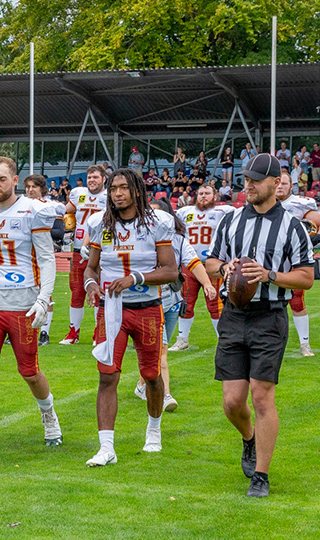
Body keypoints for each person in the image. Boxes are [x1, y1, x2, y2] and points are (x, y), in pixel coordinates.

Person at [205, 153, 315, 497]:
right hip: (234, 315)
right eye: (246, 180)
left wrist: (269, 275)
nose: (248, 186)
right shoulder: (230, 221)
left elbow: (307, 278)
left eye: (255, 180)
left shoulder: (293, 227)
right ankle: (249, 439)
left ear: (275, 182)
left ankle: (261, 476)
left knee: (262, 396)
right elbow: (210, 261)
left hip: (269, 316)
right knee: (232, 401)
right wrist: (224, 270)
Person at [0, 162, 63, 462]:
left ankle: (49, 414)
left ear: (15, 180)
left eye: (2, 179)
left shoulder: (32, 209)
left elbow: (47, 259)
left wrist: (44, 299)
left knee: (29, 371)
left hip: (23, 304)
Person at [82, 168, 178, 466]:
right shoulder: (99, 223)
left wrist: (135, 278)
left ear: (137, 190)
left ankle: (153, 430)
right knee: (107, 375)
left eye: (124, 188)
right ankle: (106, 447)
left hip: (147, 308)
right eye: (113, 189)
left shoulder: (158, 222)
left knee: (151, 375)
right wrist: (91, 284)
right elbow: (91, 267)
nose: (118, 193)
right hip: (111, 310)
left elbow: (171, 271)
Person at [135, 199, 216, 412]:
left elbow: (193, 262)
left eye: (158, 214)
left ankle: (142, 385)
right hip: (148, 300)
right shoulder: (139, 238)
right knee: (160, 351)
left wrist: (207, 283)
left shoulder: (178, 239)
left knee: (155, 350)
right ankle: (165, 396)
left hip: (171, 300)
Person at [169, 183, 233, 351]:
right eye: (201, 193)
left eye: (207, 193)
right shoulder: (185, 212)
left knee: (216, 304)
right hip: (190, 265)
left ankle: (223, 340)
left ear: (215, 196)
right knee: (186, 302)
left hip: (212, 264)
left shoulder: (223, 212)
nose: (203, 196)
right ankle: (182, 339)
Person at [275, 172, 320, 356]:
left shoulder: (299, 204)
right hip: (269, 258)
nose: (280, 186)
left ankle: (304, 343)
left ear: (291, 186)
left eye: (284, 183)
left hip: (292, 259)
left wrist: (316, 239)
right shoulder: (265, 203)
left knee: (296, 300)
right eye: (278, 183)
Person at [60, 165, 108, 345]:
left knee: (100, 292)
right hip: (78, 249)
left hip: (102, 250)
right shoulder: (79, 194)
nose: (92, 180)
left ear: (104, 179)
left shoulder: (108, 196)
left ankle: (99, 333)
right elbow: (69, 209)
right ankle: (74, 332)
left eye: (95, 177)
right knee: (76, 291)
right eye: (89, 177)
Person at [22, 174, 65, 346]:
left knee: (45, 294)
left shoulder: (50, 206)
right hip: (24, 258)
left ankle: (45, 333)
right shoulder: (22, 205)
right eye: (28, 187)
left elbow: (58, 232)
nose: (30, 190)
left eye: (34, 187)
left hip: (40, 256)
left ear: (42, 188)